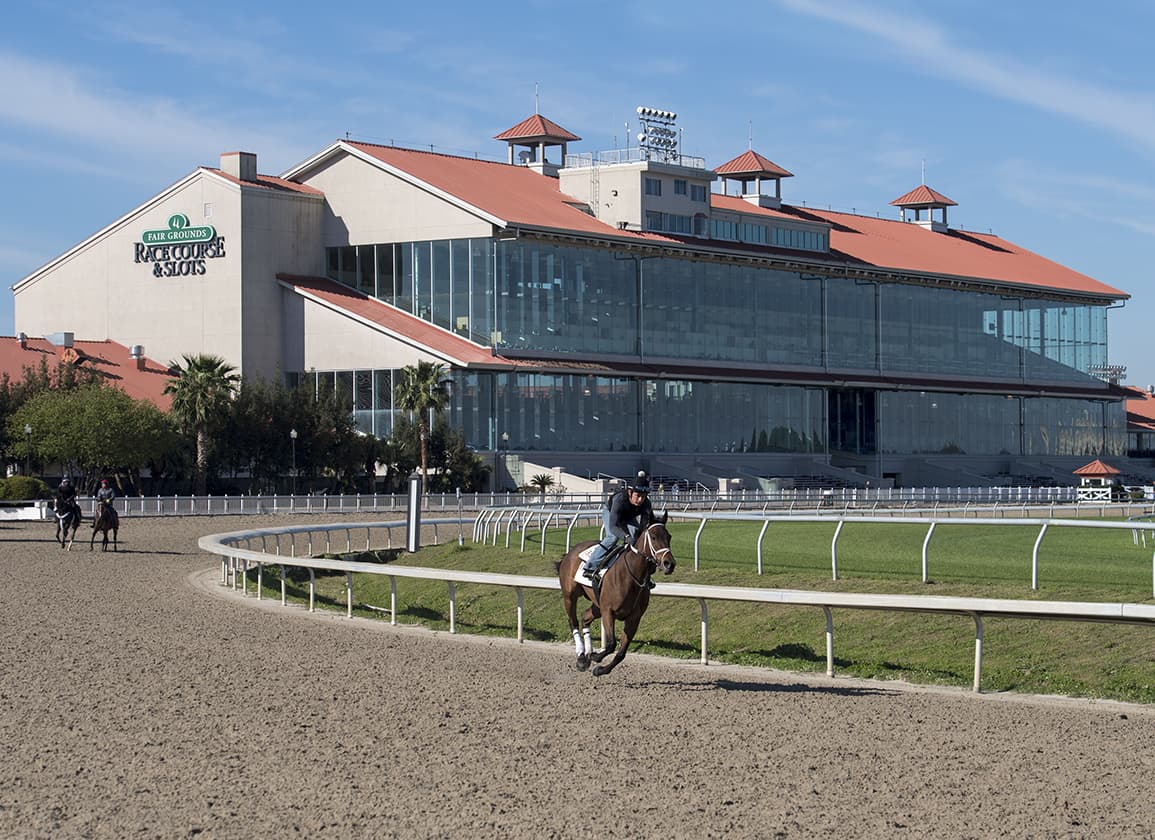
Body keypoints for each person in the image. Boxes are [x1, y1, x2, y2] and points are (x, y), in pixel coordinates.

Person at [581, 470, 654, 582]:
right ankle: (589, 567)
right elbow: (613, 527)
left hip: (627, 517)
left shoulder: (646, 504)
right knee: (612, 537)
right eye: (638, 496)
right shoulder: (619, 500)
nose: (640, 500)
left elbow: (643, 527)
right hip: (610, 512)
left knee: (636, 534)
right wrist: (626, 537)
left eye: (643, 497)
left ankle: (641, 572)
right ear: (630, 492)